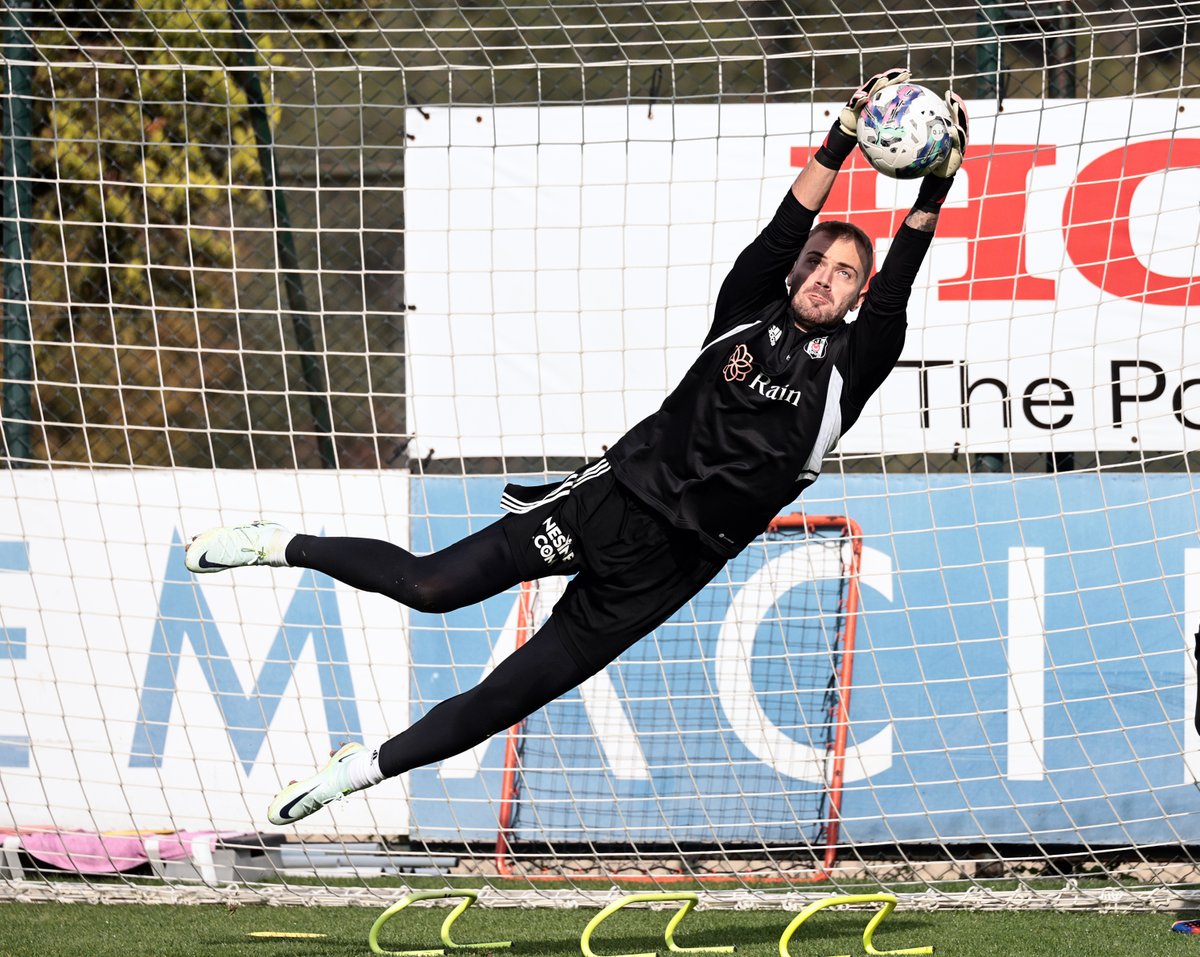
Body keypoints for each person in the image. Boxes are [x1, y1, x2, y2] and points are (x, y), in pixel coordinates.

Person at [185, 69, 968, 826]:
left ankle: (358, 769)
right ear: (791, 272)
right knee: (430, 586)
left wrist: (935, 184)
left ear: (858, 297)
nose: (825, 277)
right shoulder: (743, 308)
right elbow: (785, 224)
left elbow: (901, 275)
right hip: (609, 499)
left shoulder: (852, 369)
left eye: (844, 273)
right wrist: (838, 137)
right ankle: (277, 543)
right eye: (816, 264)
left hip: (669, 568)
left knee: (509, 697)